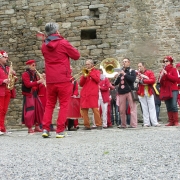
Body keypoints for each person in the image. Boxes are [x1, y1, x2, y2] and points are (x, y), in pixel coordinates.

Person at [41, 22, 80, 138]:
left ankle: (45, 129)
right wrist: (62, 39)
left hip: (50, 79)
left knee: (49, 105)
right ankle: (60, 130)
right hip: (63, 78)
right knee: (64, 105)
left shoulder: (44, 45)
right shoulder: (63, 43)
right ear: (56, 31)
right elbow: (76, 55)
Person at [21, 59, 44, 133]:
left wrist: (42, 81)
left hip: (34, 94)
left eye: (35, 65)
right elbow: (27, 84)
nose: (34, 67)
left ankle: (37, 126)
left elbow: (36, 85)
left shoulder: (34, 74)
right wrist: (38, 82)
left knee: (38, 109)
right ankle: (29, 127)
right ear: (29, 66)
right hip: (28, 94)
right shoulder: (25, 74)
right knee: (30, 110)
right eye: (33, 65)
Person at [114, 58, 137, 128]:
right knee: (121, 110)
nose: (124, 63)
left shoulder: (131, 71)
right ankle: (123, 124)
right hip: (121, 92)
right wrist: (116, 77)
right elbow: (115, 83)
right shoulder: (120, 72)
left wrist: (124, 74)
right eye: (123, 62)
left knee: (132, 108)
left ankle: (133, 124)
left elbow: (132, 79)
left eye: (125, 62)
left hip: (129, 91)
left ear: (129, 63)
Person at [79, 59, 102, 130]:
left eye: (88, 64)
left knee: (95, 109)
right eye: (86, 64)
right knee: (84, 110)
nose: (87, 66)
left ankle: (98, 124)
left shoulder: (97, 71)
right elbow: (81, 84)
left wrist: (90, 73)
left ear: (92, 65)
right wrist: (84, 76)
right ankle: (87, 125)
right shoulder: (85, 72)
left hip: (92, 93)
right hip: (85, 93)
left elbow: (98, 80)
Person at [136, 62, 160, 127]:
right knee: (144, 108)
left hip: (149, 91)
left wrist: (143, 81)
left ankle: (154, 122)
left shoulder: (149, 72)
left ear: (144, 66)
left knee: (152, 107)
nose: (139, 68)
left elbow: (153, 80)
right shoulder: (137, 74)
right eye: (138, 66)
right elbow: (135, 81)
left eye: (140, 66)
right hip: (141, 92)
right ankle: (146, 123)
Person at [159, 56, 179, 126]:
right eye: (164, 61)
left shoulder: (173, 69)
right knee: (168, 106)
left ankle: (176, 121)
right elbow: (160, 82)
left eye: (166, 61)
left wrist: (167, 74)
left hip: (173, 89)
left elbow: (175, 79)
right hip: (166, 90)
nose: (165, 62)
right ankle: (171, 121)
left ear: (170, 62)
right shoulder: (162, 71)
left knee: (173, 105)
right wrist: (161, 76)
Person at [0, 50, 16, 135]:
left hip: (7, 91)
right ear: (0, 58)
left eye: (7, 57)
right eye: (5, 57)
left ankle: (2, 128)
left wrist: (14, 76)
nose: (7, 58)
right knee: (0, 110)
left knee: (4, 110)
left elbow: (13, 79)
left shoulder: (8, 68)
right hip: (1, 91)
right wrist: (3, 81)